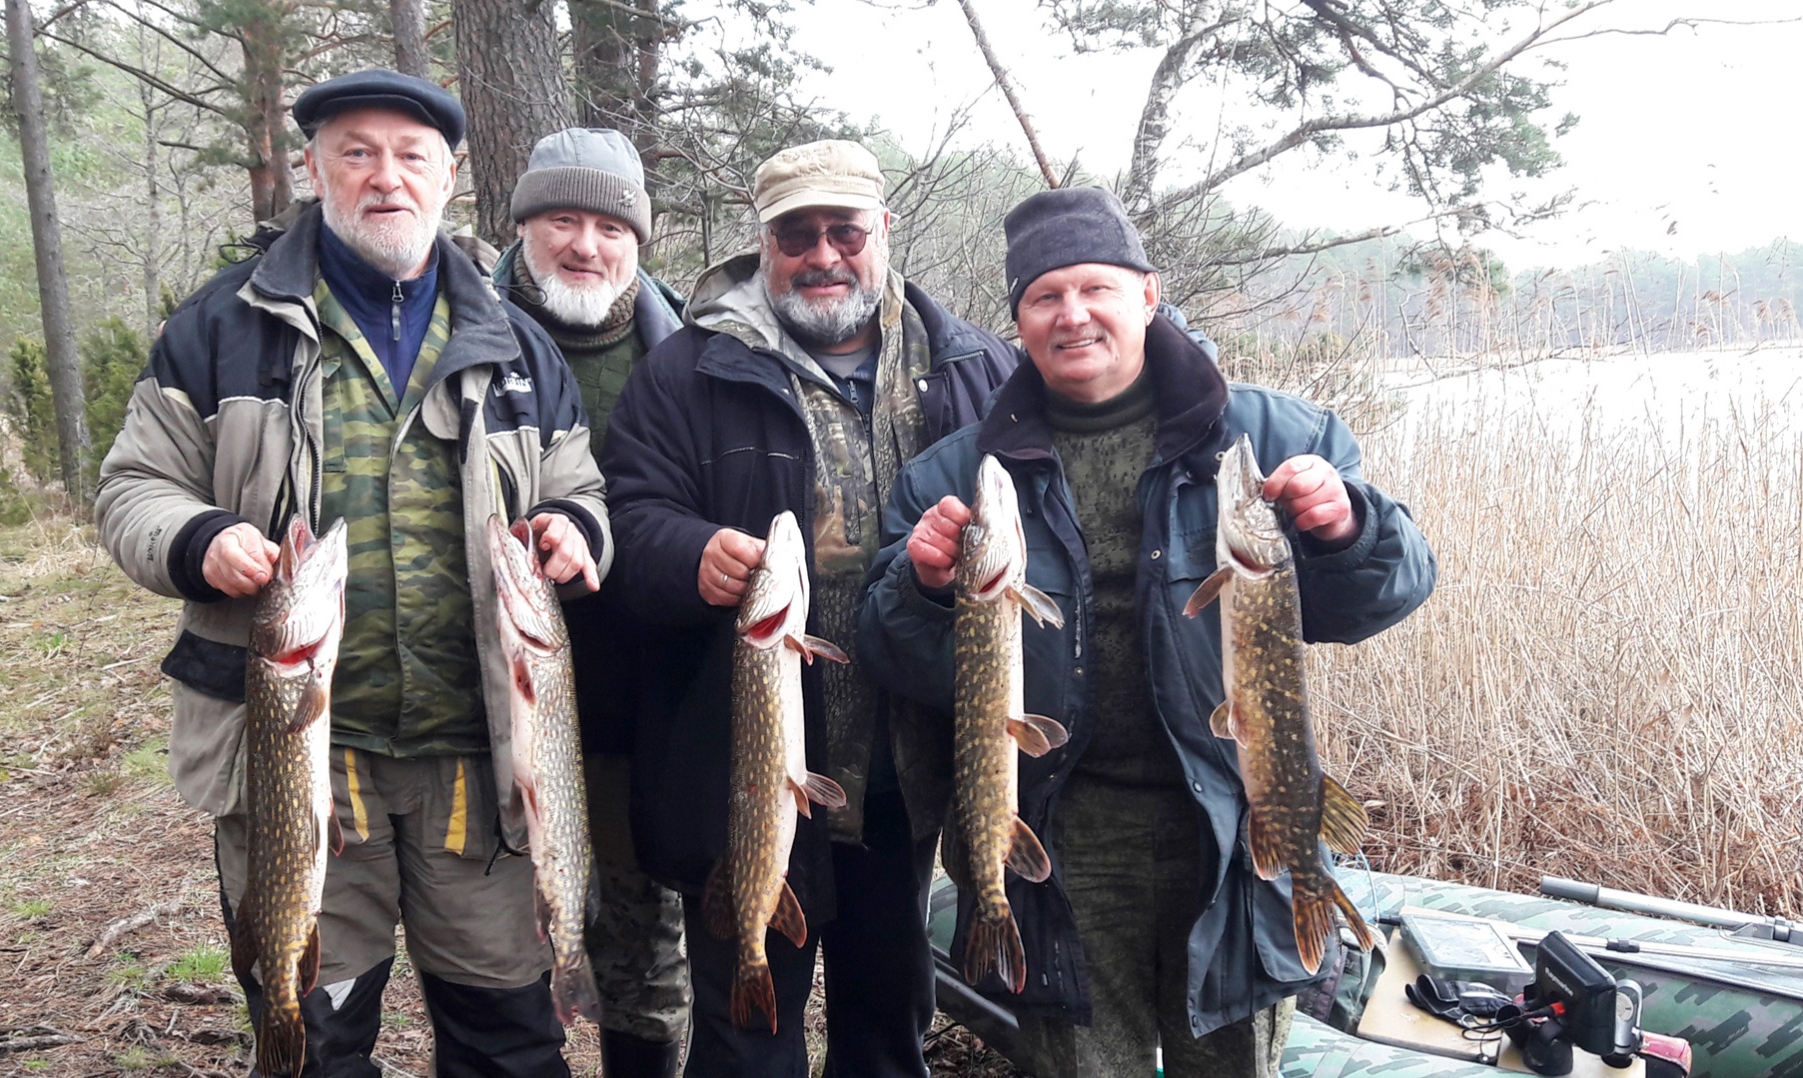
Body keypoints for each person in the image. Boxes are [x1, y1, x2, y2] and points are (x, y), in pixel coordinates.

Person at [94, 69, 610, 1078]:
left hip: (482, 758)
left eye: (411, 156)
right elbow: (131, 488)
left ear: (448, 177)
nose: (386, 178)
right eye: (357, 154)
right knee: (315, 1038)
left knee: (509, 1042)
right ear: (312, 167)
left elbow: (576, 482)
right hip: (297, 759)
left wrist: (576, 527)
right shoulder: (221, 325)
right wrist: (198, 538)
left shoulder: (516, 341)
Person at [855, 186, 1437, 1078]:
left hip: (1233, 828)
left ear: (1149, 295)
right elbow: (896, 657)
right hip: (1062, 839)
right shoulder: (955, 474)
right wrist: (925, 587)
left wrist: (1348, 529)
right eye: (1045, 297)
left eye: (1097, 288)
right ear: (1019, 320)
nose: (1072, 314)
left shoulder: (1279, 433)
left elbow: (1382, 598)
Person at [600, 139, 1017, 1076]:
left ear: (884, 231)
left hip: (905, 768)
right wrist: (688, 553)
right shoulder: (686, 371)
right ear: (764, 244)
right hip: (742, 769)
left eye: (845, 231)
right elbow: (627, 518)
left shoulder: (970, 365)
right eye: (796, 235)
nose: (822, 254)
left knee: (888, 1023)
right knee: (746, 1042)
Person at [492, 127, 689, 1078]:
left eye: (611, 226)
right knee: (495, 950)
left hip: (640, 705)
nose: (586, 245)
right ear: (522, 226)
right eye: (562, 220)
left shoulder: (688, 351)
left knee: (643, 951)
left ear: (638, 240)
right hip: (490, 702)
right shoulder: (460, 337)